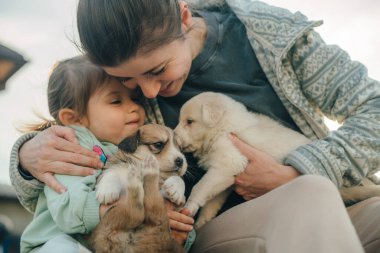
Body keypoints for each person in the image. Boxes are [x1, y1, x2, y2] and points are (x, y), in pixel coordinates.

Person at [9, 0, 380, 252]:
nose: (149, 92)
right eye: (130, 84)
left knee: (314, 192)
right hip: (207, 227)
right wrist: (25, 156)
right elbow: (81, 132)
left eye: (157, 70)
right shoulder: (118, 86)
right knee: (309, 195)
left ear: (184, 18)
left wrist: (298, 170)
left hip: (330, 197)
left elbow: (373, 107)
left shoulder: (271, 33)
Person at [18, 55, 152, 253]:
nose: (134, 107)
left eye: (135, 98)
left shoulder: (138, 149)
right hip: (53, 243)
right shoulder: (68, 149)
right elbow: (70, 211)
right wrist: (123, 209)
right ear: (75, 119)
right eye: (116, 101)